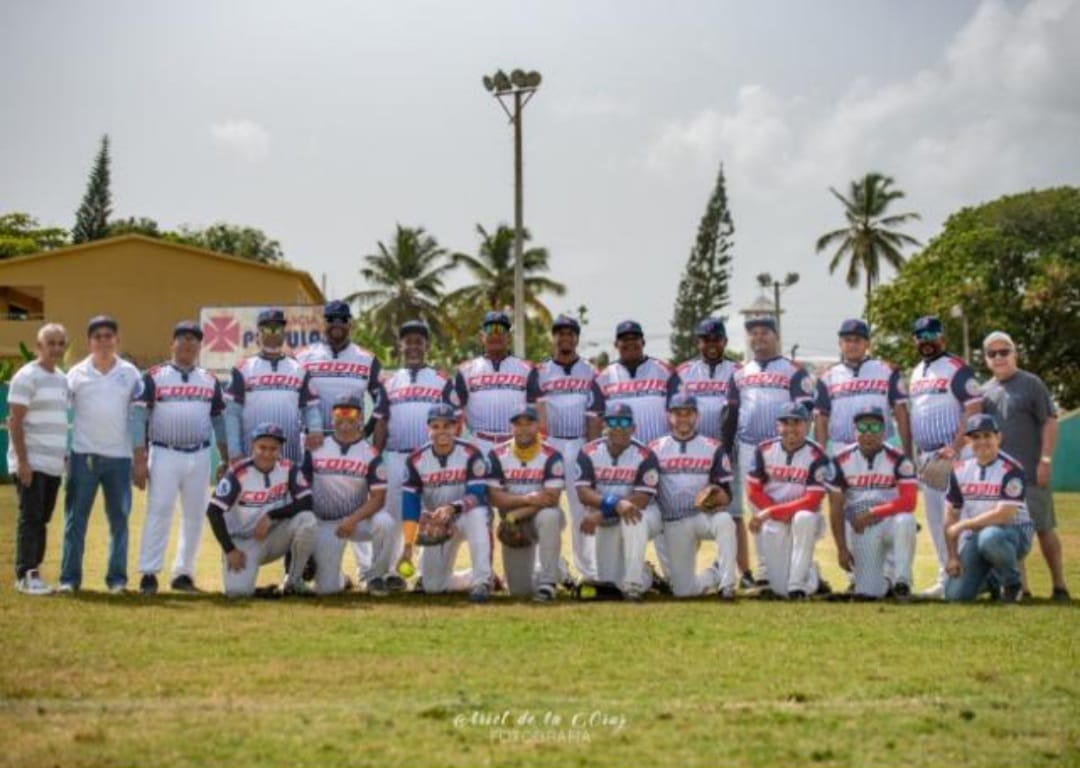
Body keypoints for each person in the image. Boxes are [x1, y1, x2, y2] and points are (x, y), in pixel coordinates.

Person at [133, 321, 228, 594]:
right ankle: (149, 573)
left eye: (193, 340)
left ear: (200, 347)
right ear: (171, 344)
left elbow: (219, 421)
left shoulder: (209, 380)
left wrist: (225, 459)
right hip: (164, 453)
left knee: (195, 516)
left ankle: (183, 574)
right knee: (158, 512)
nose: (187, 344)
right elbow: (138, 418)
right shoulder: (154, 376)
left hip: (199, 455)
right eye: (182, 339)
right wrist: (140, 458)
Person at [296, 300, 389, 579]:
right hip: (317, 441)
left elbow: (382, 401)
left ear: (350, 323)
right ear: (323, 323)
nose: (337, 324)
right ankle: (306, 567)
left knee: (357, 503)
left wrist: (369, 431)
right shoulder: (303, 356)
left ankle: (368, 572)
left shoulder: (366, 358)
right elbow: (296, 397)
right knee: (312, 506)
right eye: (331, 319)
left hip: (352, 441)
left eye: (342, 319)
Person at [723, 316, 814, 586]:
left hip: (783, 447)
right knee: (758, 509)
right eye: (754, 333)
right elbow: (732, 413)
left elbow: (805, 411)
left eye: (765, 332)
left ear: (776, 337)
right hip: (750, 448)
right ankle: (765, 571)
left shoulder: (793, 370)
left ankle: (798, 570)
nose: (759, 337)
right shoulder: (740, 372)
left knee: (789, 508)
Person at [979, 331, 1068, 601]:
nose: (999, 357)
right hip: (1002, 481)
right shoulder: (984, 393)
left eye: (1004, 351)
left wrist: (1045, 460)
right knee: (1010, 533)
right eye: (992, 353)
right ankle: (1023, 589)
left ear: (1014, 354)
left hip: (1031, 473)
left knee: (1044, 529)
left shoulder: (1032, 384)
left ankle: (1060, 586)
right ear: (986, 359)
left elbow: (1050, 421)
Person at [60, 315, 143, 593]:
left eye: (109, 336)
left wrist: (140, 456)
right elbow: (60, 413)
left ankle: (116, 580)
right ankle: (70, 580)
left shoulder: (131, 374)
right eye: (98, 337)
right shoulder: (75, 374)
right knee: (75, 522)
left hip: (119, 460)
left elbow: (141, 415)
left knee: (119, 523)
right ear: (89, 342)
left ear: (117, 340)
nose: (104, 341)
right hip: (83, 457)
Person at [907, 315, 982, 598]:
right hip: (928, 455)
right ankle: (945, 577)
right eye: (920, 336)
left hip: (955, 453)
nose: (926, 341)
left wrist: (956, 447)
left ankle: (966, 580)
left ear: (942, 337)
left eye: (932, 335)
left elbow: (973, 408)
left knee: (957, 520)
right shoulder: (916, 372)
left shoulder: (957, 368)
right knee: (937, 521)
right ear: (915, 340)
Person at [670, 318, 748, 586]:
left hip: (729, 452)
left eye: (716, 339)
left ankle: (743, 573)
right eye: (706, 339)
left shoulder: (739, 371)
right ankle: (682, 572)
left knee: (733, 514)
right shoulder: (684, 372)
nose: (711, 344)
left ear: (725, 341)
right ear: (698, 342)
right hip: (694, 453)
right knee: (693, 510)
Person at [528, 314, 604, 582]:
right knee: (545, 508)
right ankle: (548, 568)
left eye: (570, 333)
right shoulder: (540, 371)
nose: (565, 338)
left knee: (581, 508)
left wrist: (590, 452)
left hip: (580, 442)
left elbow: (594, 416)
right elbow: (538, 411)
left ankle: (588, 570)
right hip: (551, 443)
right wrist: (544, 449)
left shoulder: (591, 371)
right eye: (560, 333)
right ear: (554, 338)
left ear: (576, 338)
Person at [206, 422, 318, 598]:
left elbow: (307, 502)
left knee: (307, 520)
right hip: (242, 543)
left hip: (273, 535)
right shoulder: (238, 472)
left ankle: (294, 581)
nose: (267, 453)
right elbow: (213, 511)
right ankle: (262, 590)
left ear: (280, 449)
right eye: (262, 447)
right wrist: (229, 549)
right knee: (237, 592)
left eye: (273, 448)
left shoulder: (288, 468)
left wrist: (271, 515)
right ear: (253, 446)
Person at [379, 320, 452, 587]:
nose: (413, 347)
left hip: (428, 457)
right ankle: (391, 573)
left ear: (427, 346)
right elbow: (381, 422)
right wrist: (377, 457)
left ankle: (424, 573)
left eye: (418, 342)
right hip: (397, 456)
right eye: (408, 341)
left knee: (429, 515)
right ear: (400, 346)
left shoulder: (442, 380)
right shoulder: (389, 382)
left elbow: (453, 420)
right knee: (395, 515)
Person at [303, 396, 395, 596]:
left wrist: (352, 520)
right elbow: (303, 491)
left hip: (357, 522)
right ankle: (341, 579)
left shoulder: (370, 453)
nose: (345, 418)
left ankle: (375, 577)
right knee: (326, 590)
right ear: (332, 417)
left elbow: (379, 498)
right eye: (339, 413)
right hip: (325, 523)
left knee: (385, 522)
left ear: (361, 417)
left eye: (351, 412)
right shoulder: (316, 448)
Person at [401, 404, 492, 602]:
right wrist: (408, 543)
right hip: (438, 524)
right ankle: (469, 577)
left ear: (456, 427)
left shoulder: (470, 452)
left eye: (447, 426)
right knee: (433, 587)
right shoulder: (416, 459)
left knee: (478, 515)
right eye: (436, 426)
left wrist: (453, 507)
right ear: (428, 429)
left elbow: (478, 494)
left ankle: (481, 581)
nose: (441, 431)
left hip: (465, 515)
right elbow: (410, 504)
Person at [826, 406, 918, 599]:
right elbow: (835, 508)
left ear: (884, 431)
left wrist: (873, 513)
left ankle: (902, 582)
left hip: (889, 524)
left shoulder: (899, 459)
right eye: (863, 427)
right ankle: (885, 583)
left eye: (875, 428)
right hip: (861, 529)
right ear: (854, 430)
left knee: (906, 520)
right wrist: (841, 549)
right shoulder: (840, 460)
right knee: (867, 592)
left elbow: (909, 502)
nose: (868, 433)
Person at [651, 394, 737, 599]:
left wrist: (717, 496)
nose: (683, 418)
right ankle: (714, 573)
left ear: (696, 416)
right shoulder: (654, 449)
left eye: (688, 413)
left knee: (725, 520)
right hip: (673, 522)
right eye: (677, 413)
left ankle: (727, 585)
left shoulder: (713, 447)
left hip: (702, 517)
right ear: (669, 416)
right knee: (682, 591)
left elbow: (727, 494)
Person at [575, 403, 662, 601]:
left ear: (634, 428)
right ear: (604, 426)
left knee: (633, 518)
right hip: (608, 516)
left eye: (625, 422)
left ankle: (634, 585)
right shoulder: (588, 452)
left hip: (645, 514)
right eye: (613, 422)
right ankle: (647, 574)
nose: (619, 427)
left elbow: (641, 498)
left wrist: (603, 511)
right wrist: (614, 504)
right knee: (611, 582)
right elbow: (583, 493)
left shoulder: (646, 455)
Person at [943, 414, 1033, 602]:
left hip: (1013, 535)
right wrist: (952, 556)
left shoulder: (1011, 468)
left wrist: (964, 524)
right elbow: (951, 515)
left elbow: (1004, 515)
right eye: (976, 437)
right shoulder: (959, 470)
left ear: (998, 437)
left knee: (990, 537)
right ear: (967, 441)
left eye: (987, 435)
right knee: (955, 596)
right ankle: (993, 581)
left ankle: (1012, 584)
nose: (982, 441)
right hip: (978, 536)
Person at [746, 403, 831, 599]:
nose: (791, 428)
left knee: (803, 518)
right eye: (785, 423)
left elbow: (813, 499)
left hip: (806, 517)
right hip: (774, 519)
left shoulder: (817, 454)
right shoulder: (764, 449)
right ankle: (813, 577)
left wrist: (773, 512)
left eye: (797, 423)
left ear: (808, 425)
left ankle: (797, 587)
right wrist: (775, 512)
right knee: (778, 589)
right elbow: (753, 490)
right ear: (778, 426)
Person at [8, 323, 69, 596]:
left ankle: (35, 573)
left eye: (60, 343)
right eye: (50, 343)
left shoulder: (61, 378)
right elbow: (15, 422)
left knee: (42, 518)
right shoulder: (26, 376)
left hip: (53, 465)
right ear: (39, 347)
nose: (56, 348)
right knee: (30, 518)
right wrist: (23, 462)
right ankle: (25, 575)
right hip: (31, 462)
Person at [225, 308, 322, 467]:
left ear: (284, 334)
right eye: (266, 328)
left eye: (277, 329)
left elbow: (310, 409)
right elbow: (232, 414)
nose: (272, 333)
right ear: (257, 335)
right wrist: (234, 452)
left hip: (290, 457)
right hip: (251, 457)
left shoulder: (299, 370)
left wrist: (316, 429)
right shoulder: (242, 369)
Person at [487, 406, 565, 603]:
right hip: (514, 526)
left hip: (537, 518)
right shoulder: (497, 454)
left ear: (538, 425)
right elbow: (495, 497)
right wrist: (528, 499)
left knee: (550, 516)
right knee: (519, 592)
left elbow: (551, 498)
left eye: (529, 423)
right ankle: (558, 567)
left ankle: (548, 582)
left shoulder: (552, 454)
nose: (523, 429)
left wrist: (515, 513)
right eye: (518, 424)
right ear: (511, 427)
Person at [813, 318, 911, 456]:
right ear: (840, 344)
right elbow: (821, 421)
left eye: (857, 340)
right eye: (847, 340)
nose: (852, 345)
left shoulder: (886, 371)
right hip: (842, 452)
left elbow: (901, 413)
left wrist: (908, 454)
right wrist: (819, 459)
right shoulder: (827, 377)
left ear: (867, 344)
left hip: (882, 451)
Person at [447, 311, 532, 458]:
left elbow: (537, 411)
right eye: (490, 329)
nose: (495, 335)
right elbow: (453, 414)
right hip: (479, 444)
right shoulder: (465, 370)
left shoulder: (527, 369)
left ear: (509, 337)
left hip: (516, 443)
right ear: (482, 336)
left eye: (501, 330)